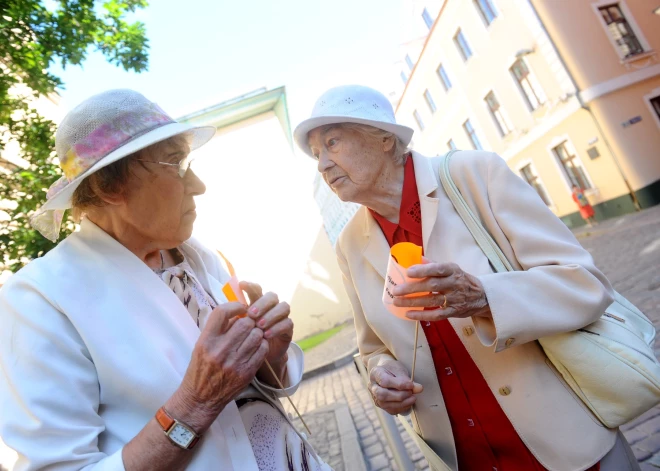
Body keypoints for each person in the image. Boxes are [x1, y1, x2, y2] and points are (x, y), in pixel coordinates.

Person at [293, 84, 640, 471]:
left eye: (333, 142)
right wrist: (380, 374)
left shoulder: (474, 174)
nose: (322, 164)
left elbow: (585, 285)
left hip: (565, 446)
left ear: (385, 139)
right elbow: (372, 349)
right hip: (464, 457)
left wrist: (485, 298)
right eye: (316, 153)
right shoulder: (349, 245)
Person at [0, 89, 330, 471]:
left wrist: (268, 355)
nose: (198, 185)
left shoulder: (196, 253)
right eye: (176, 163)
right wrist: (195, 402)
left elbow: (259, 390)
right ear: (110, 186)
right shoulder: (39, 300)